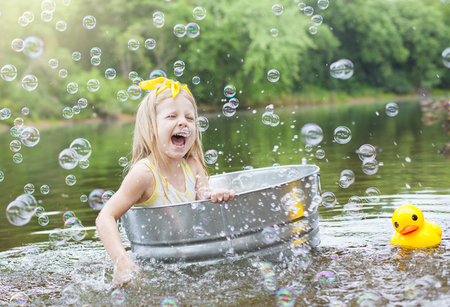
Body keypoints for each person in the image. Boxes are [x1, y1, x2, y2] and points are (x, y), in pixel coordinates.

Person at [96, 77, 235, 285]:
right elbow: (105, 216)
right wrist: (121, 261)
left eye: (190, 117)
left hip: (191, 262)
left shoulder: (193, 166)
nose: (183, 122)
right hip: (156, 266)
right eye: (171, 116)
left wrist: (213, 196)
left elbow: (203, 199)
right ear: (151, 128)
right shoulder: (144, 174)